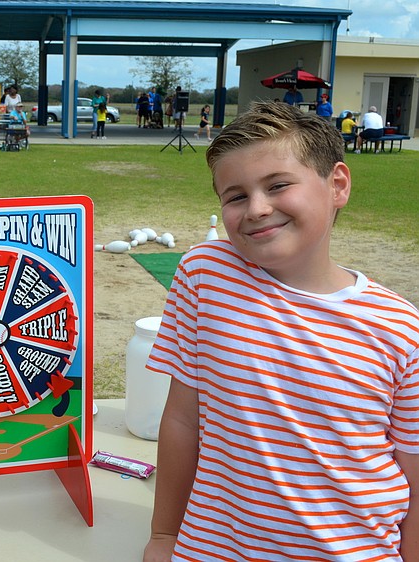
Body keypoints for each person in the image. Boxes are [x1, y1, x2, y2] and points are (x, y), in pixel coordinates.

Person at [142, 101, 419, 562]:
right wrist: (164, 535)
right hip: (213, 549)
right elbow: (182, 419)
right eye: (235, 196)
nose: (256, 208)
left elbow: (414, 472)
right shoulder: (206, 275)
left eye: (278, 185)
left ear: (337, 185)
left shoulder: (400, 328)